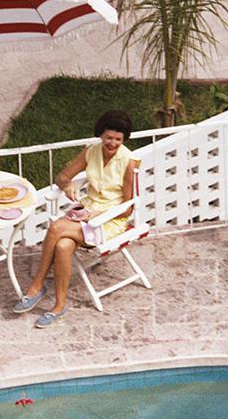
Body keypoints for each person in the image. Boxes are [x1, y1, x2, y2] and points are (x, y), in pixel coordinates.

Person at [12, 109, 138, 328]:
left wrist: (100, 214)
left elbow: (129, 208)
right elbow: (62, 176)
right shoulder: (91, 152)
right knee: (62, 246)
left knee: (54, 229)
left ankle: (36, 285)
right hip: (86, 212)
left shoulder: (129, 162)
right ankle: (59, 306)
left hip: (110, 219)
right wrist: (68, 185)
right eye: (109, 137)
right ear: (100, 135)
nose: (113, 143)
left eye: (118, 139)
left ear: (124, 139)